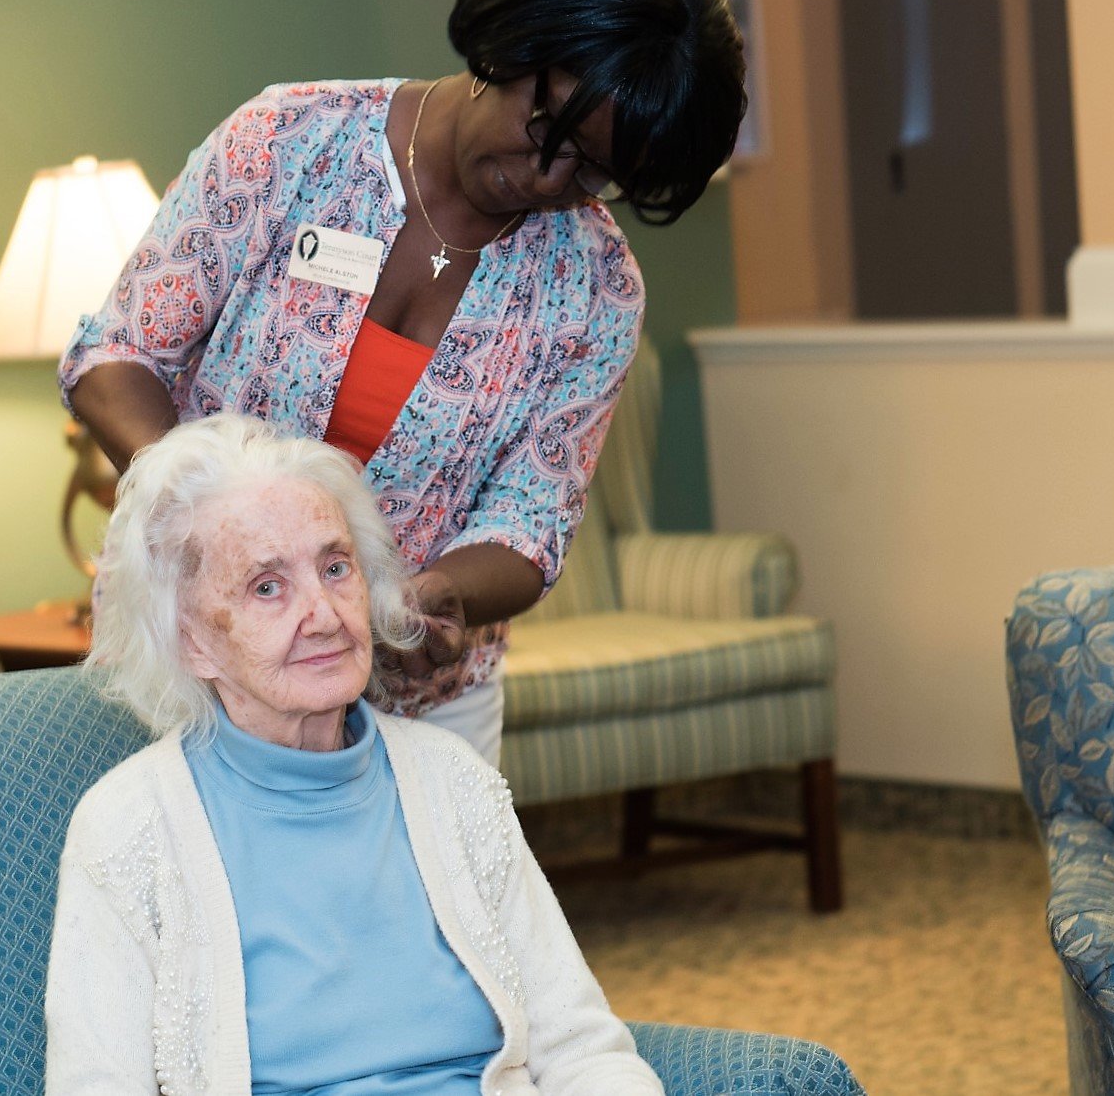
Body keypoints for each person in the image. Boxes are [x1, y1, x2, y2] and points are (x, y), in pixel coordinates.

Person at [60, 0, 745, 763]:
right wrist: (209, 510)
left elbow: (531, 523)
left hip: (424, 706)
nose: (546, 181)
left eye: (592, 174)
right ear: (510, 41)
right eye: (545, 129)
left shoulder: (595, 289)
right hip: (206, 661)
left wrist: (442, 594)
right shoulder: (290, 143)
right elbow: (117, 358)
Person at [46, 414, 663, 1095]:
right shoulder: (129, 826)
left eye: (336, 568)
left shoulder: (452, 778)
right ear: (193, 642)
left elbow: (583, 1048)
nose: (325, 612)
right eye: (267, 586)